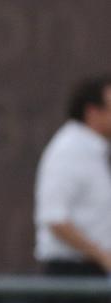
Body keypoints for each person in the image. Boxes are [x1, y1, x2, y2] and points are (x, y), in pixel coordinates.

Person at [35, 76, 111, 277]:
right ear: (92, 112)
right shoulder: (69, 151)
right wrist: (102, 256)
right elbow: (55, 218)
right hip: (73, 273)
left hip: (94, 270)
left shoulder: (96, 151)